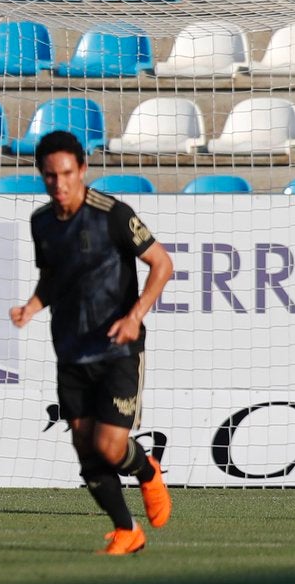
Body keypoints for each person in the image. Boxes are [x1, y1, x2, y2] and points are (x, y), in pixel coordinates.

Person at [10, 131, 174, 555]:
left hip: (118, 349)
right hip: (69, 350)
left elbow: (162, 263)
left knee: (109, 446)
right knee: (85, 448)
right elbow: (54, 277)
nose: (59, 184)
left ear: (82, 170)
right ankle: (126, 531)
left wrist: (134, 317)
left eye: (67, 173)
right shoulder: (41, 222)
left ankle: (147, 470)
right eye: (50, 176)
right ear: (41, 176)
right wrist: (31, 306)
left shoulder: (113, 214)